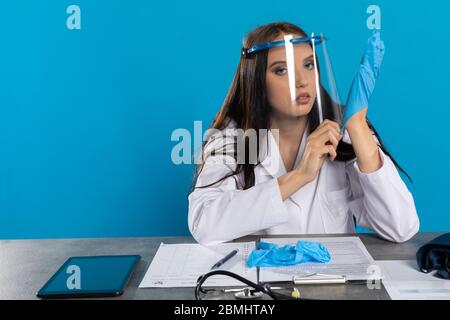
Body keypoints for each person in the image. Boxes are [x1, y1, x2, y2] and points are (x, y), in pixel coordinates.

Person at [188, 22, 419, 245]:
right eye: (281, 70)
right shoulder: (233, 138)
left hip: (334, 281)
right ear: (256, 79)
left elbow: (401, 227)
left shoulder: (343, 132)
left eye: (308, 65)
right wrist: (299, 175)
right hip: (261, 280)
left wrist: (357, 126)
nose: (301, 81)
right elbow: (203, 223)